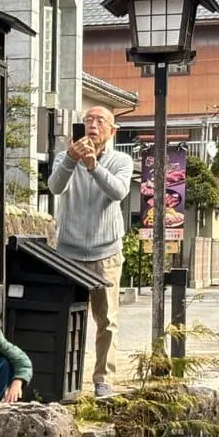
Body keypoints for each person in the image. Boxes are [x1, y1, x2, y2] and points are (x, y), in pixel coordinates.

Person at [47, 106, 132, 398]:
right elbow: (55, 187)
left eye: (100, 121)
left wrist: (94, 166)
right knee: (65, 316)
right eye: (88, 120)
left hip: (105, 251)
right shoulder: (64, 157)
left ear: (112, 130)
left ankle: (102, 379)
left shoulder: (121, 160)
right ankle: (62, 378)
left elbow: (119, 192)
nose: (93, 126)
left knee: (106, 320)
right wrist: (72, 159)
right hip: (68, 251)